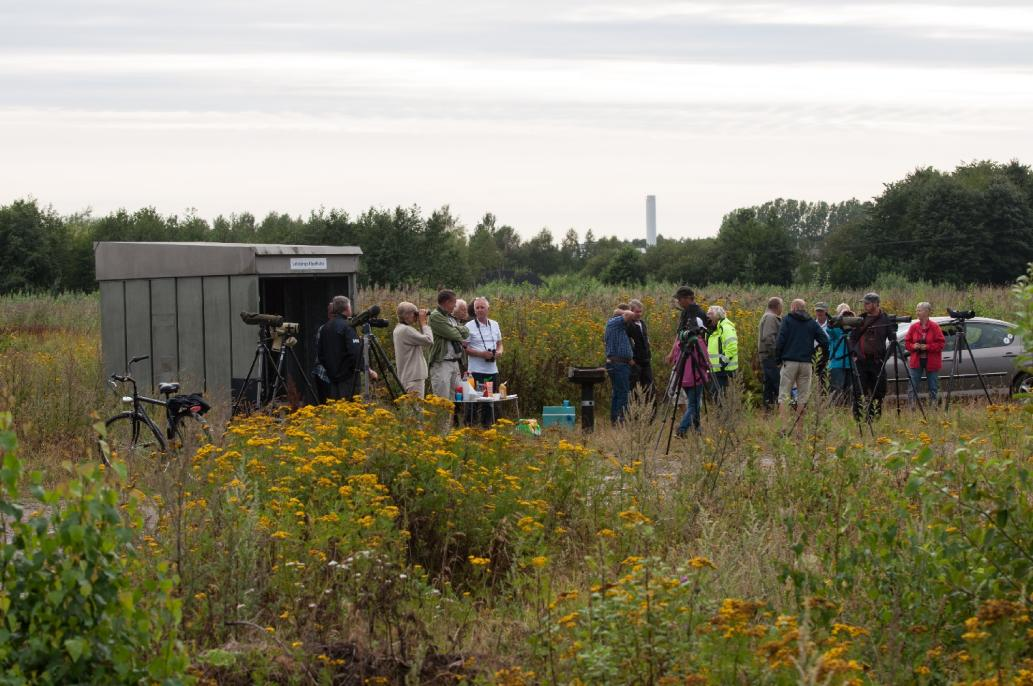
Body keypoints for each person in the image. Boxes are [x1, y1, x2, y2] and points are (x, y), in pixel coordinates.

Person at [775, 299, 829, 435]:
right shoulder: (811, 322)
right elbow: (825, 340)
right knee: (802, 397)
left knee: (784, 396)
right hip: (806, 363)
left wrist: (777, 359)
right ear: (804, 308)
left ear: (793, 307)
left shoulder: (787, 320)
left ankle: (783, 429)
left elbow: (780, 340)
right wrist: (818, 356)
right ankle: (800, 432)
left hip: (789, 362)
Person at [849, 292, 896, 422]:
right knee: (859, 392)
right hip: (861, 361)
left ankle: (873, 419)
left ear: (875, 304)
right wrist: (853, 353)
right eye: (864, 303)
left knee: (879, 391)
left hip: (877, 362)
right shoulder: (861, 319)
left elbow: (893, 341)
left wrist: (885, 358)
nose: (864, 305)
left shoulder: (886, 320)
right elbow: (852, 338)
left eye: (867, 303)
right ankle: (858, 421)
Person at [465, 297, 504, 424]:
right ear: (474, 310)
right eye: (477, 308)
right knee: (474, 400)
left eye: (482, 307)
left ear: (488, 309)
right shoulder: (468, 326)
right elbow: (465, 348)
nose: (480, 310)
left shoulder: (495, 324)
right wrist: (481, 354)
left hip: (492, 370)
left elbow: (500, 343)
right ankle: (471, 427)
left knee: (489, 400)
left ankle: (488, 426)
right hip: (476, 371)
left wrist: (499, 352)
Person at [665, 327, 711, 436]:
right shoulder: (699, 342)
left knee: (693, 403)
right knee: (694, 405)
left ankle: (697, 427)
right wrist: (708, 366)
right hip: (696, 377)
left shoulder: (680, 343)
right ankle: (682, 429)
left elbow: (676, 360)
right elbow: (704, 361)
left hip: (683, 378)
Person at [317, 295, 361, 401]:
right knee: (351, 411)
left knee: (337, 411)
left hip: (332, 378)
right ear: (347, 309)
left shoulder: (325, 327)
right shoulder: (348, 326)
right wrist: (358, 369)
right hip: (348, 379)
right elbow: (355, 353)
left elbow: (320, 355)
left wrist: (330, 371)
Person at [428, 289, 469, 400]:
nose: (454, 306)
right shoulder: (435, 316)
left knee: (452, 401)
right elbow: (453, 334)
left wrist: (453, 329)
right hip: (442, 363)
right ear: (447, 302)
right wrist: (454, 330)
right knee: (442, 401)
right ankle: (442, 419)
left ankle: (450, 418)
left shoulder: (448, 317)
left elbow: (465, 332)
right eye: (453, 303)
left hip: (454, 363)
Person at [904, 301, 945, 404]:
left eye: (919, 310)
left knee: (933, 387)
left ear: (927, 312)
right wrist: (913, 346)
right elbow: (907, 343)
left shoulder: (935, 327)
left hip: (931, 361)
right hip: (916, 361)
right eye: (916, 310)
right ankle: (912, 408)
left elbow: (941, 344)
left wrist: (927, 347)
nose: (917, 312)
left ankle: (933, 409)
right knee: (912, 386)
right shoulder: (914, 327)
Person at [392, 301, 433, 397]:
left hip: (409, 376)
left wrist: (421, 323)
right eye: (415, 313)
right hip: (413, 378)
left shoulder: (399, 329)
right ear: (407, 315)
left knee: (412, 409)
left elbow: (422, 339)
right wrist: (423, 323)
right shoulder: (406, 330)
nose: (416, 316)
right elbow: (429, 340)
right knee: (416, 410)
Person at [604, 305, 636, 423]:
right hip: (618, 365)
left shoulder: (618, 327)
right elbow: (629, 314)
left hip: (619, 364)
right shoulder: (615, 322)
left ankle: (615, 419)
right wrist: (620, 311)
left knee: (618, 393)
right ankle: (620, 420)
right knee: (623, 393)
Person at [706, 305, 738, 395]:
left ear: (717, 316)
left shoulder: (725, 327)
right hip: (715, 370)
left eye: (710, 314)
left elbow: (732, 347)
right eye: (707, 313)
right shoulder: (711, 329)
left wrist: (722, 362)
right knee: (715, 395)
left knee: (720, 397)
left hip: (724, 370)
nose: (707, 316)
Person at [758, 297, 783, 409]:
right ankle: (780, 409)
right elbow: (768, 338)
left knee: (769, 385)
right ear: (777, 306)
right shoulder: (771, 317)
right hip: (770, 357)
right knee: (776, 383)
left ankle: (768, 409)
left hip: (767, 356)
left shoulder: (768, 316)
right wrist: (777, 355)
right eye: (781, 306)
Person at [827, 303, 855, 404]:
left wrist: (853, 321)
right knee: (836, 390)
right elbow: (829, 331)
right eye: (843, 314)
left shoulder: (852, 327)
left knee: (850, 391)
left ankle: (848, 412)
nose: (846, 316)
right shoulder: (835, 327)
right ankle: (835, 413)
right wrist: (837, 321)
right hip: (837, 363)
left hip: (850, 363)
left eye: (847, 313)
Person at [626, 299, 654, 400]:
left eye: (640, 311)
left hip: (646, 360)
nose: (639, 314)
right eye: (636, 312)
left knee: (649, 387)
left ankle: (649, 413)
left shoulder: (642, 323)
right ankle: (634, 413)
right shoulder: (628, 324)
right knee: (634, 389)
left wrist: (649, 354)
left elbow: (646, 340)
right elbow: (627, 342)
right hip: (634, 361)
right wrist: (630, 359)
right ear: (631, 311)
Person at [813, 302, 831, 395]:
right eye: (817, 311)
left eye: (821, 311)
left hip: (826, 354)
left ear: (826, 311)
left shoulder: (831, 324)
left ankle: (823, 398)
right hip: (813, 354)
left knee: (824, 377)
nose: (819, 313)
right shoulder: (811, 323)